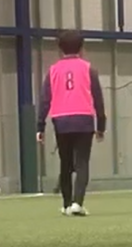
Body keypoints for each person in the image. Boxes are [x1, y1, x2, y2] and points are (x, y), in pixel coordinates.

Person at [36, 30, 106, 217]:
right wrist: (101, 126)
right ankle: (77, 203)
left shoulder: (53, 70)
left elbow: (45, 100)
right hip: (84, 119)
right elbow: (98, 99)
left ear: (60, 49)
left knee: (65, 163)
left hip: (61, 119)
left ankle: (67, 204)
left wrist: (40, 126)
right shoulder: (88, 69)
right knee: (82, 162)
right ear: (82, 48)